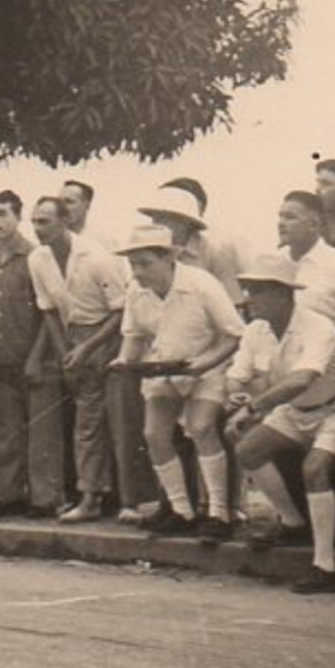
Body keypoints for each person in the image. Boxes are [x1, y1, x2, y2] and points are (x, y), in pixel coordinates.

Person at [226, 254, 335, 593]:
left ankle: (325, 566)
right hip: (292, 411)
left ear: (283, 294)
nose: (248, 298)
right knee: (248, 449)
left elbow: (302, 379)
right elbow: (236, 376)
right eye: (248, 289)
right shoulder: (255, 329)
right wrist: (237, 395)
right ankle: (293, 522)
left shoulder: (319, 327)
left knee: (315, 469)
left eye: (257, 290)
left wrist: (253, 406)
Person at [113, 226, 247, 542]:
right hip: (163, 369)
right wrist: (124, 362)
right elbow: (132, 339)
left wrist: (202, 365)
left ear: (168, 258)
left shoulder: (201, 284)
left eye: (145, 263)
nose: (138, 271)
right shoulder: (135, 291)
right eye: (133, 264)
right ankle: (180, 510)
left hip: (208, 369)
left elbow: (234, 335)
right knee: (153, 434)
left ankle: (218, 513)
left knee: (201, 427)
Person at [28, 196, 127, 523]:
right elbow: (49, 311)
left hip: (110, 337)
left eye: (45, 221)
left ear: (65, 221)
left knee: (110, 419)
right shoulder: (38, 259)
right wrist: (65, 354)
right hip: (73, 338)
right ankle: (91, 496)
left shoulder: (97, 257)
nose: (38, 228)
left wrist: (89, 348)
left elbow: (121, 311)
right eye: (35, 222)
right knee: (87, 422)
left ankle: (114, 498)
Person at [0, 191, 66, 516]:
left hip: (36, 358)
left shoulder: (35, 256)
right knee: (6, 431)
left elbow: (49, 310)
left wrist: (36, 354)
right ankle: (9, 493)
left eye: (3, 213)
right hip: (1, 357)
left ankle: (45, 498)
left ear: (18, 218)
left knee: (43, 432)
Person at [277, 191, 335, 346]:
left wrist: (334, 345)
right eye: (281, 216)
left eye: (290, 217)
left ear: (314, 224)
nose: (281, 223)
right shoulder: (275, 261)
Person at [140, 184, 246, 305]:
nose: (157, 225)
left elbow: (234, 301)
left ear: (185, 222)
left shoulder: (214, 251)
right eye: (155, 218)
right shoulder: (149, 253)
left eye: (165, 218)